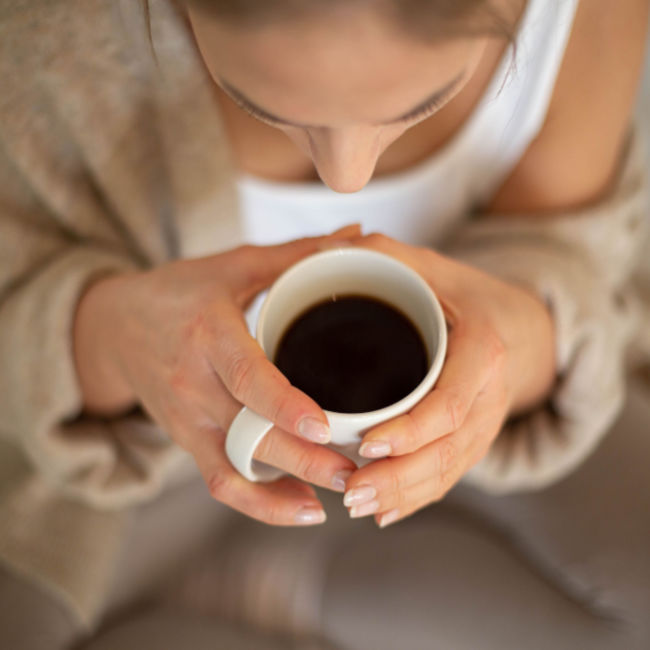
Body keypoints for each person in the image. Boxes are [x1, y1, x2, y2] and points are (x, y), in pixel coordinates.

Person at [0, 0, 648, 648]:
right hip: (131, 490)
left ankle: (273, 583)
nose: (346, 180)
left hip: (453, 465)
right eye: (260, 104)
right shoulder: (48, 30)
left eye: (424, 102)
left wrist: (519, 343)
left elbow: (570, 250)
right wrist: (112, 337)